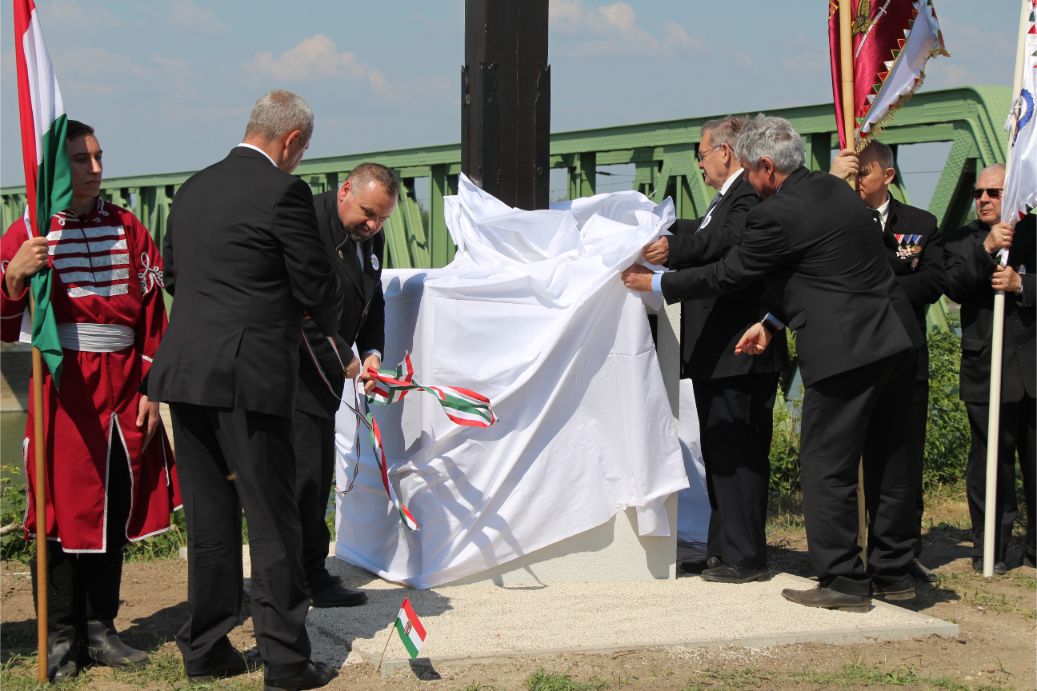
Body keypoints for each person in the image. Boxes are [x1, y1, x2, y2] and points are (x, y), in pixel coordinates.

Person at [622, 114, 922, 611]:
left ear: (766, 166)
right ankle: (893, 574)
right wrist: (772, 322)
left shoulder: (776, 213)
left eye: (749, 169)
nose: (747, 178)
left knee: (826, 465)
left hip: (844, 351)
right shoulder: (834, 191)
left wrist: (656, 282)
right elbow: (824, 270)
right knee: (890, 460)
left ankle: (844, 581)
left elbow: (729, 273)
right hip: (896, 339)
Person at [147, 90, 343, 689]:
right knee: (273, 519)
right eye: (302, 150)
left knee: (210, 521)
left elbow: (175, 274)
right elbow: (316, 286)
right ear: (292, 141)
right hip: (248, 378)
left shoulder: (192, 188)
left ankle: (206, 648)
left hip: (186, 372)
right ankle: (285, 660)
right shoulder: (284, 192)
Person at [0, 120, 180, 680]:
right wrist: (13, 278)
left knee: (115, 501)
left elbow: (153, 314)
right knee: (61, 510)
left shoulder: (128, 227)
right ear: (59, 167)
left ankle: (101, 628)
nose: (96, 168)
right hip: (64, 386)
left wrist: (151, 386)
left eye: (99, 157)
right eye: (82, 159)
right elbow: (6, 323)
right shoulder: (28, 230)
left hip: (125, 385)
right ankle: (59, 635)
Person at [641, 116, 786, 583]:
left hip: (740, 350)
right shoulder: (726, 198)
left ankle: (746, 556)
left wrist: (673, 251)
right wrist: (661, 228)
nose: (699, 165)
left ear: (725, 152)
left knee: (740, 455)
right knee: (721, 455)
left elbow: (722, 242)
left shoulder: (747, 195)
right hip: (719, 354)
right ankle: (724, 549)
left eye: (701, 155)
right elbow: (705, 231)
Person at [830, 141, 944, 583]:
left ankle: (899, 554)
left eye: (864, 172)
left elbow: (932, 281)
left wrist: (876, 291)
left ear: (888, 175)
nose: (858, 181)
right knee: (847, 460)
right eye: (853, 173)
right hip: (853, 358)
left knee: (901, 462)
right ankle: (853, 551)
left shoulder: (919, 224)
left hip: (905, 357)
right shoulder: (840, 221)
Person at [294, 163, 398, 607]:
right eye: (368, 213)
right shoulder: (308, 225)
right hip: (296, 371)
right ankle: (300, 579)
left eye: (382, 218)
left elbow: (374, 300)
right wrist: (341, 353)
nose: (372, 226)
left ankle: (311, 573)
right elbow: (297, 304)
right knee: (301, 479)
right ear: (345, 192)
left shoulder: (370, 236)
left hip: (328, 376)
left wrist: (372, 352)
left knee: (316, 477)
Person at [942, 163, 1035, 574]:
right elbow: (954, 286)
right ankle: (990, 549)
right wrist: (986, 249)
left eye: (993, 192)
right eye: (978, 192)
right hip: (987, 367)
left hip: (1032, 367)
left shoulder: (1033, 233)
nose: (983, 199)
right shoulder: (960, 240)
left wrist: (1022, 285)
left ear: (1011, 193)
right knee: (990, 465)